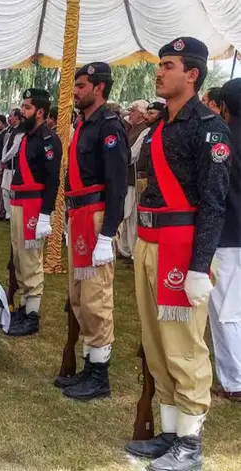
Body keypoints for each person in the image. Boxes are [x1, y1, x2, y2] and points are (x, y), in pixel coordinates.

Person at [124, 38, 231, 471]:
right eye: (160, 65)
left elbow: (214, 202)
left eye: (168, 65)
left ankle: (189, 443)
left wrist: (199, 266)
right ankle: (169, 432)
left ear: (192, 74)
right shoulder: (159, 128)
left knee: (184, 347)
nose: (159, 72)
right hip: (150, 243)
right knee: (156, 343)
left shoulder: (209, 128)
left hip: (181, 251)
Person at [53, 63, 128, 401]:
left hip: (97, 217)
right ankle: (88, 364)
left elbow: (117, 185)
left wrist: (107, 234)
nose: (75, 91)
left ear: (99, 88)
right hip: (80, 215)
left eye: (81, 85)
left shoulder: (109, 126)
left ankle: (99, 375)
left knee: (96, 298)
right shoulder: (84, 124)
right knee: (79, 297)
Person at [5, 89, 61, 337]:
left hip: (33, 206)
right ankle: (24, 306)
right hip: (19, 203)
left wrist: (45, 214)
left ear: (39, 111)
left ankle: (32, 315)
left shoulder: (49, 139)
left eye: (27, 107)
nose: (22, 111)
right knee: (19, 257)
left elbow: (53, 180)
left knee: (31, 259)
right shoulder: (26, 137)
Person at [209, 77, 241, 402]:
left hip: (229, 235)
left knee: (226, 310)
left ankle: (234, 380)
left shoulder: (224, 142)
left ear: (224, 107)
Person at [116, 100, 151, 260]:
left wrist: (118, 157)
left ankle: (132, 251)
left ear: (142, 114)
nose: (130, 114)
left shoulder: (144, 130)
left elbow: (133, 155)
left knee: (131, 216)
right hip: (126, 177)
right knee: (125, 215)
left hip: (133, 178)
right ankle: (124, 249)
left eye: (133, 111)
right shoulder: (132, 129)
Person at [1, 109, 24, 220]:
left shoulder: (21, 131)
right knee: (5, 190)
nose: (9, 118)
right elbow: (6, 146)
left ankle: (12, 213)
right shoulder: (11, 130)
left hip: (15, 165)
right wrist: (3, 158)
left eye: (11, 116)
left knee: (13, 191)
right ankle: (8, 212)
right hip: (7, 165)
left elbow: (15, 148)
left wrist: (5, 158)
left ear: (17, 117)